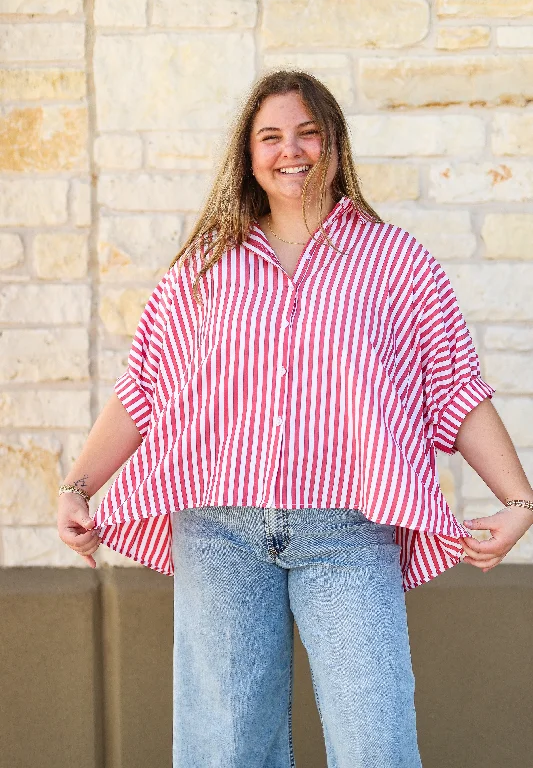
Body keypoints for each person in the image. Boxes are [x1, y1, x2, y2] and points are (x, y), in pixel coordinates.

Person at [58, 70, 533, 768]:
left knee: (376, 740)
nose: (291, 150)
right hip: (217, 527)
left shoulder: (397, 264)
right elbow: (145, 390)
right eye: (270, 136)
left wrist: (518, 501)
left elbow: (454, 387)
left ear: (335, 145)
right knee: (225, 747)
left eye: (308, 132)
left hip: (347, 527)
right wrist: (77, 487)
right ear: (248, 155)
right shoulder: (204, 267)